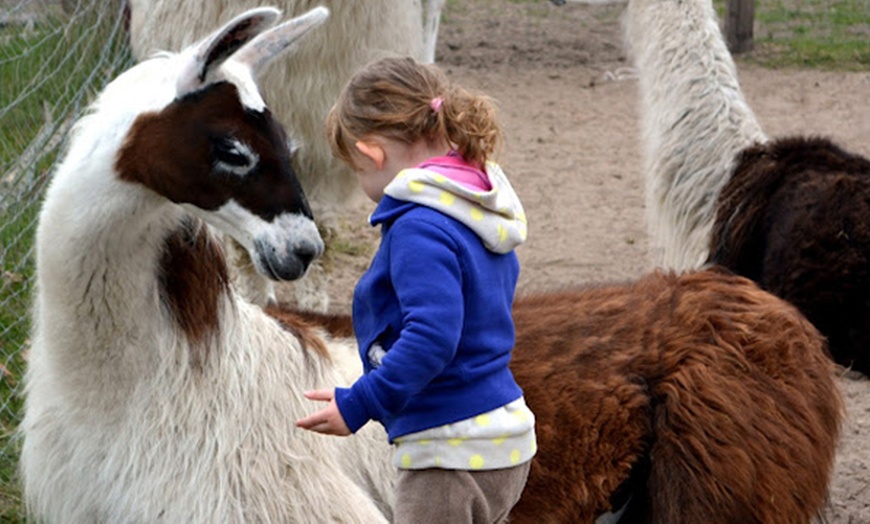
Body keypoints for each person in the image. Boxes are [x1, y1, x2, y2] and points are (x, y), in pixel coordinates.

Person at [296, 56, 536, 523]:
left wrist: (362, 402)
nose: (364, 187)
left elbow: (432, 336)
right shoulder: (476, 207)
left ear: (371, 153)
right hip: (501, 433)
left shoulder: (419, 228)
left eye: (356, 171)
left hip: (449, 451)